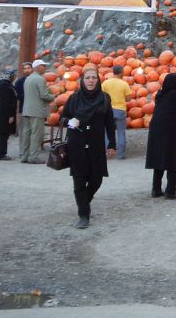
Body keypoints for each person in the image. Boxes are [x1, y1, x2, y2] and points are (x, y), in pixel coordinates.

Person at [58, 67, 116, 229]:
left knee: (97, 179)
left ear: (98, 80)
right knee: (79, 179)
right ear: (82, 81)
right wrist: (70, 122)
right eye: (88, 78)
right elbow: (62, 118)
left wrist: (112, 143)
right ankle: (83, 215)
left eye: (93, 78)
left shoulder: (104, 98)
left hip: (96, 144)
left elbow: (109, 122)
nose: (91, 80)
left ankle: (84, 202)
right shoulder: (74, 98)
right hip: (77, 143)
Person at [145, 72, 176, 199]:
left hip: (156, 129)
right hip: (169, 130)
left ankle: (156, 189)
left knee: (159, 158)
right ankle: (170, 190)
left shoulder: (160, 94)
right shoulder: (175, 95)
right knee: (172, 159)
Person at [20, 59, 54, 164]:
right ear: (39, 67)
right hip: (37, 111)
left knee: (27, 134)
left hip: (27, 111)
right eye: (44, 66)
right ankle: (33, 157)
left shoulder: (28, 79)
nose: (45, 68)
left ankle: (24, 156)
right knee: (36, 135)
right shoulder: (40, 79)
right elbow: (44, 95)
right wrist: (53, 96)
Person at [101, 64, 131, 159]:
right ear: (121, 72)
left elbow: (100, 96)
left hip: (107, 110)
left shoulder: (105, 83)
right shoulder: (124, 84)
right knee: (121, 132)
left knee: (107, 132)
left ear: (113, 72)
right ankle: (121, 155)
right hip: (120, 110)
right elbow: (128, 99)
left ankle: (107, 153)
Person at [0, 69, 17, 161]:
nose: (14, 77)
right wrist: (10, 115)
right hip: (5, 113)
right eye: (13, 75)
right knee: (3, 134)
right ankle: (0, 154)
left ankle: (0, 153)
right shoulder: (5, 85)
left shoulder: (5, 84)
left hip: (4, 112)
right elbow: (7, 102)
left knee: (4, 134)